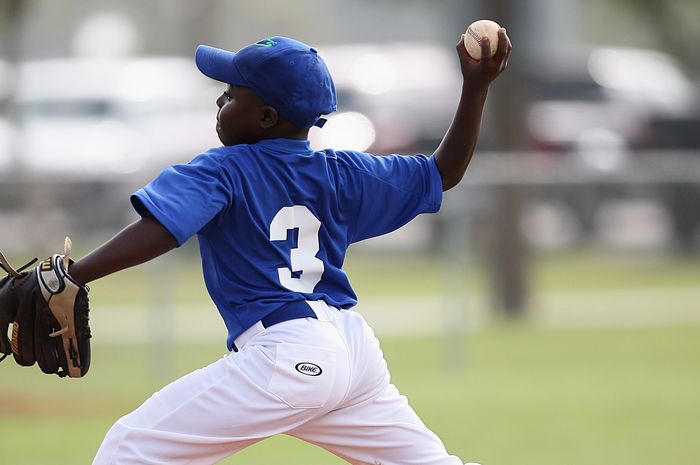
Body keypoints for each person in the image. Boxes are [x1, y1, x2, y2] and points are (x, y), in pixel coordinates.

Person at [73, 31, 511, 465]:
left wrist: (73, 275)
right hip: (354, 354)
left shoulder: (225, 168)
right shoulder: (341, 172)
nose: (220, 103)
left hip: (288, 354)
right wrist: (476, 87)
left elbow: (163, 227)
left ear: (265, 117)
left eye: (230, 94)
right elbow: (444, 171)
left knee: (130, 448)